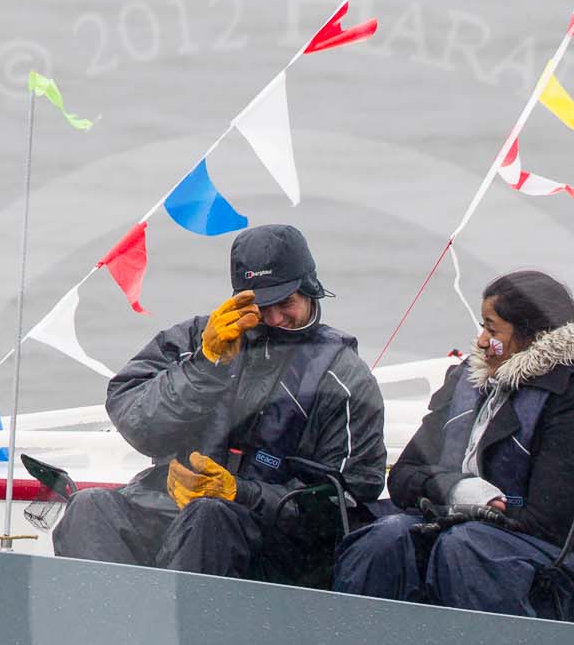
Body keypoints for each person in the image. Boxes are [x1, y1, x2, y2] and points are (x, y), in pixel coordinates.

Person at [53, 225, 386, 582]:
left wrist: (241, 493)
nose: (274, 318)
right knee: (89, 509)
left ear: (311, 291)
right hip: (174, 511)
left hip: (274, 539)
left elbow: (351, 497)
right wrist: (205, 365)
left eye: (285, 303)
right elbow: (136, 421)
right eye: (261, 306)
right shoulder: (195, 339)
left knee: (210, 517)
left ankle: (176, 634)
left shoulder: (344, 377)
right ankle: (107, 631)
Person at [332, 270, 574, 621]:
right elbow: (402, 478)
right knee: (384, 540)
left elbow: (549, 521)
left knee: (465, 548)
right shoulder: (468, 382)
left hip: (553, 560)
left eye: (491, 330)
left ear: (531, 336)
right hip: (460, 526)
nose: (479, 341)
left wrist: (475, 511)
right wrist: (456, 490)